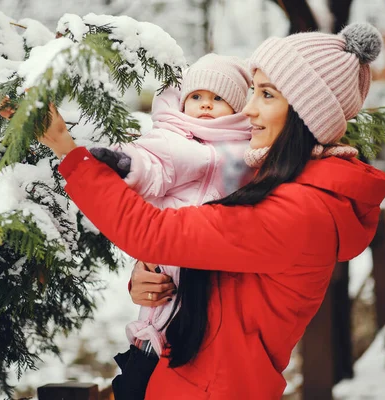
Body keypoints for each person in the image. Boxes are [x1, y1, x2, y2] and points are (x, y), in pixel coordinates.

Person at [38, 22, 385, 399]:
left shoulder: (300, 211)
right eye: (253, 91)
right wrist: (150, 276)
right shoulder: (281, 184)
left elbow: (155, 232)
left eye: (267, 95)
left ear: (307, 114)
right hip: (182, 370)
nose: (249, 109)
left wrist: (67, 150)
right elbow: (207, 254)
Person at [86, 53, 254, 400]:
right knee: (155, 324)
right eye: (196, 97)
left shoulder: (247, 149)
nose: (205, 105)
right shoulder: (174, 138)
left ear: (237, 107)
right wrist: (125, 164)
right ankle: (142, 362)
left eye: (218, 98)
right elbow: (154, 166)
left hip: (215, 277)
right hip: (168, 262)